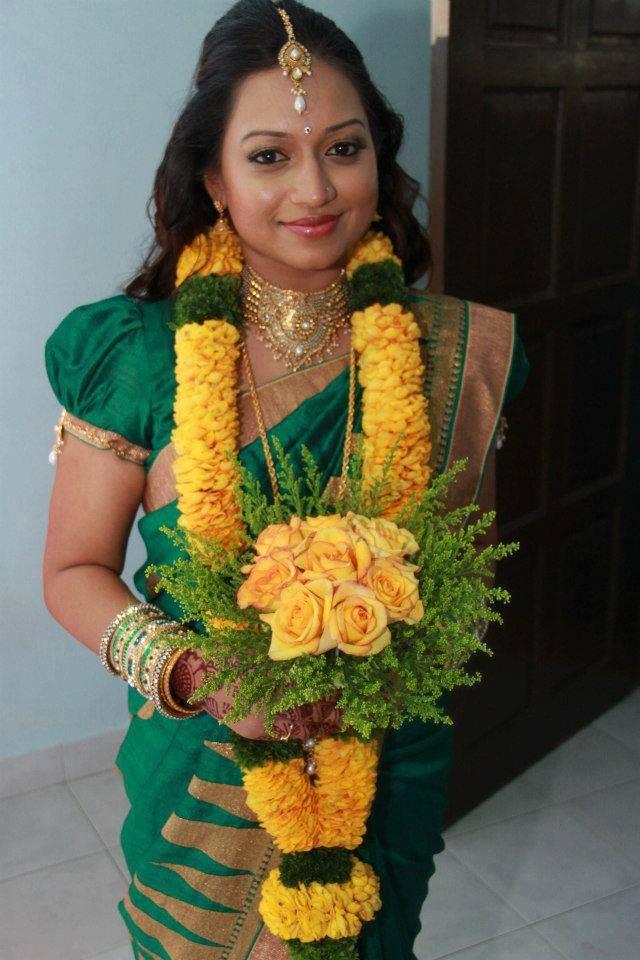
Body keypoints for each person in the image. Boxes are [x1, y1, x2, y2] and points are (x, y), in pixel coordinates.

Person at [42, 1, 530, 958]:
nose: (315, 188)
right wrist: (206, 673)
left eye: (343, 149)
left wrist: (381, 661)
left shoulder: (452, 352)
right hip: (201, 771)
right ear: (214, 180)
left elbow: (468, 581)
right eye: (269, 156)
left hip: (389, 761)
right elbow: (70, 574)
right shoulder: (137, 355)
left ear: (376, 164)